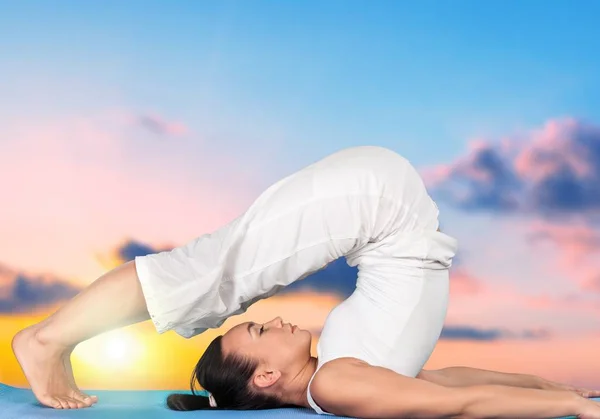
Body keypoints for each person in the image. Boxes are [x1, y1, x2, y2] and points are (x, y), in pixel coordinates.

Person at [12, 146, 600, 418]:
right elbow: (457, 390)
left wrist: (571, 407)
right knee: (210, 278)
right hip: (380, 206)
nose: (275, 317)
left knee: (211, 279)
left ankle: (46, 339)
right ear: (267, 375)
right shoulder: (343, 378)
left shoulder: (340, 378)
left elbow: (454, 399)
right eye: (262, 331)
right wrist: (563, 397)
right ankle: (47, 340)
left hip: (376, 206)